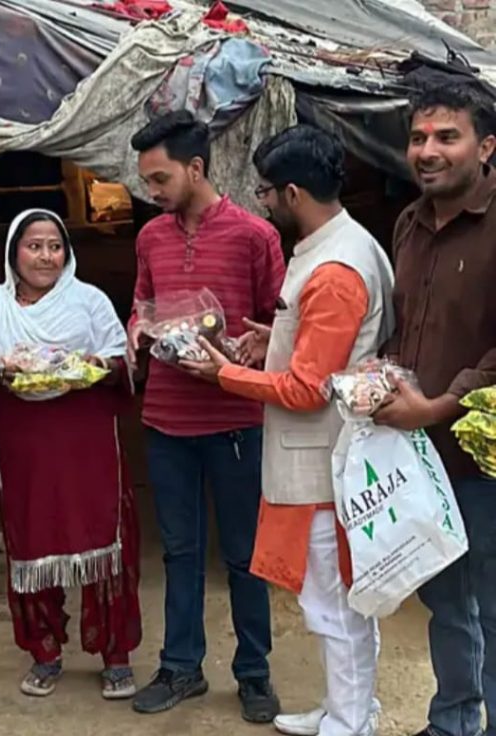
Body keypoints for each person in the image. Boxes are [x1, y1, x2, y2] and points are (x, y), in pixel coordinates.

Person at [181, 124, 393, 736]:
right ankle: (345, 707)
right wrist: (270, 339)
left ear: (294, 192)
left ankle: (351, 721)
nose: (263, 201)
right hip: (324, 456)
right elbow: (322, 351)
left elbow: (307, 389)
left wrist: (223, 373)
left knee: (333, 601)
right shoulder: (342, 245)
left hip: (324, 460)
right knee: (335, 598)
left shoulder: (333, 270)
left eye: (267, 191)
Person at [127, 109, 285, 721]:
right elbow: (142, 301)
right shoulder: (150, 237)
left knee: (246, 553)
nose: (153, 192)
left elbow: (279, 324)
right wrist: (139, 326)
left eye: (160, 179)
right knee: (179, 551)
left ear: (196, 167)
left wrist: (260, 342)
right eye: (146, 180)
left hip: (236, 419)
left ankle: (253, 672)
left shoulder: (255, 235)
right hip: (166, 420)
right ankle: (180, 668)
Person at [0, 209, 142, 700]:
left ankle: (116, 655)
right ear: (14, 252)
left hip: (87, 442)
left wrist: (97, 362)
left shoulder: (89, 302)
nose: (45, 256)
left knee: (104, 542)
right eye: (34, 246)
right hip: (24, 446)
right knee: (32, 543)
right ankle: (44, 653)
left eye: (54, 246)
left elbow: (123, 361)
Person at [373, 83, 496, 736]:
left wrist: (443, 403)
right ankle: (453, 721)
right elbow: (404, 327)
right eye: (419, 138)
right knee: (444, 598)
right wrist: (381, 375)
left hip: (484, 456)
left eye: (447, 136)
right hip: (421, 457)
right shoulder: (408, 222)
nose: (427, 150)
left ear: (487, 145)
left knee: (494, 603)